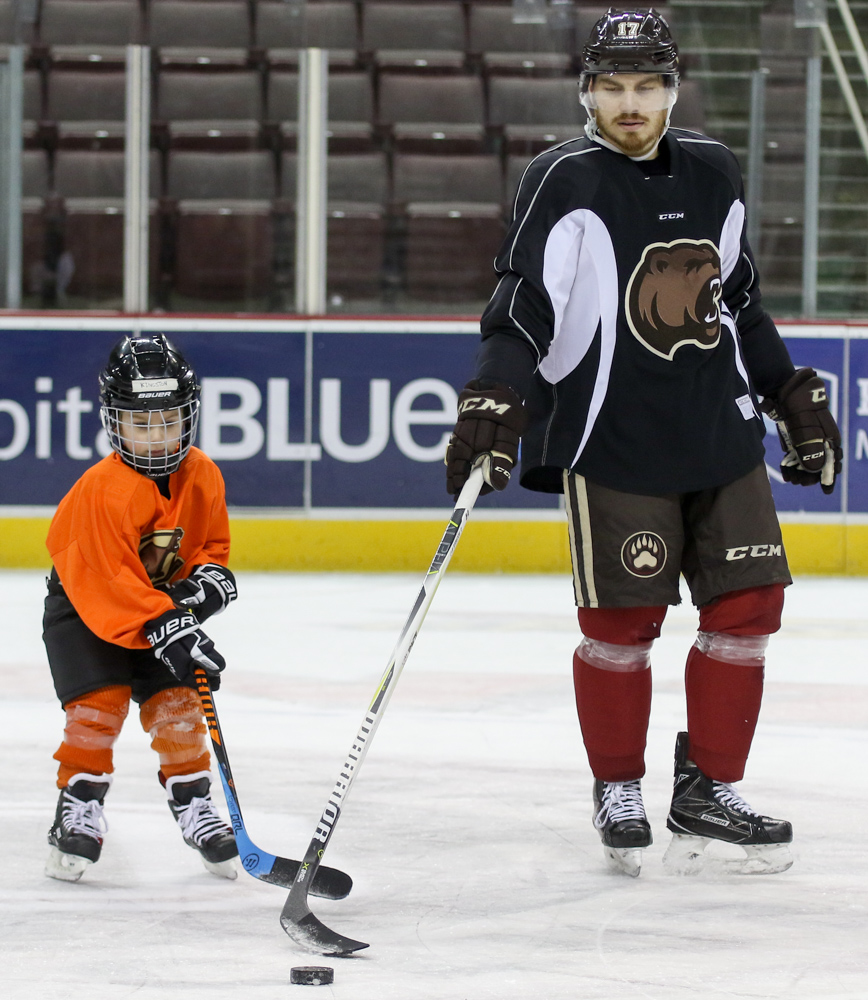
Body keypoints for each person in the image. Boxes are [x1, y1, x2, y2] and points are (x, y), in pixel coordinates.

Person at [445, 7, 842, 877]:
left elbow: (737, 300)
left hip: (719, 429)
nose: (632, 103)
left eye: (648, 86)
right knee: (622, 625)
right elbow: (523, 306)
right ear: (587, 92)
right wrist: (494, 392)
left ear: (672, 90)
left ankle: (709, 788)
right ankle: (618, 784)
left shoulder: (713, 169)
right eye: (614, 86)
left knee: (747, 613)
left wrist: (784, 389)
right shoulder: (564, 180)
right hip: (612, 434)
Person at [43, 333, 240, 883]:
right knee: (99, 705)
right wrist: (170, 624)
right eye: (140, 423)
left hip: (155, 611)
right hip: (85, 611)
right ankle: (78, 803)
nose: (156, 437)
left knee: (177, 701)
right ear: (114, 422)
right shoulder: (102, 491)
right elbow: (106, 582)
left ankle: (193, 800)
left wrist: (205, 585)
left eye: (169, 421)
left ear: (189, 417)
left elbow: (209, 548)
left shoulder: (202, 475)